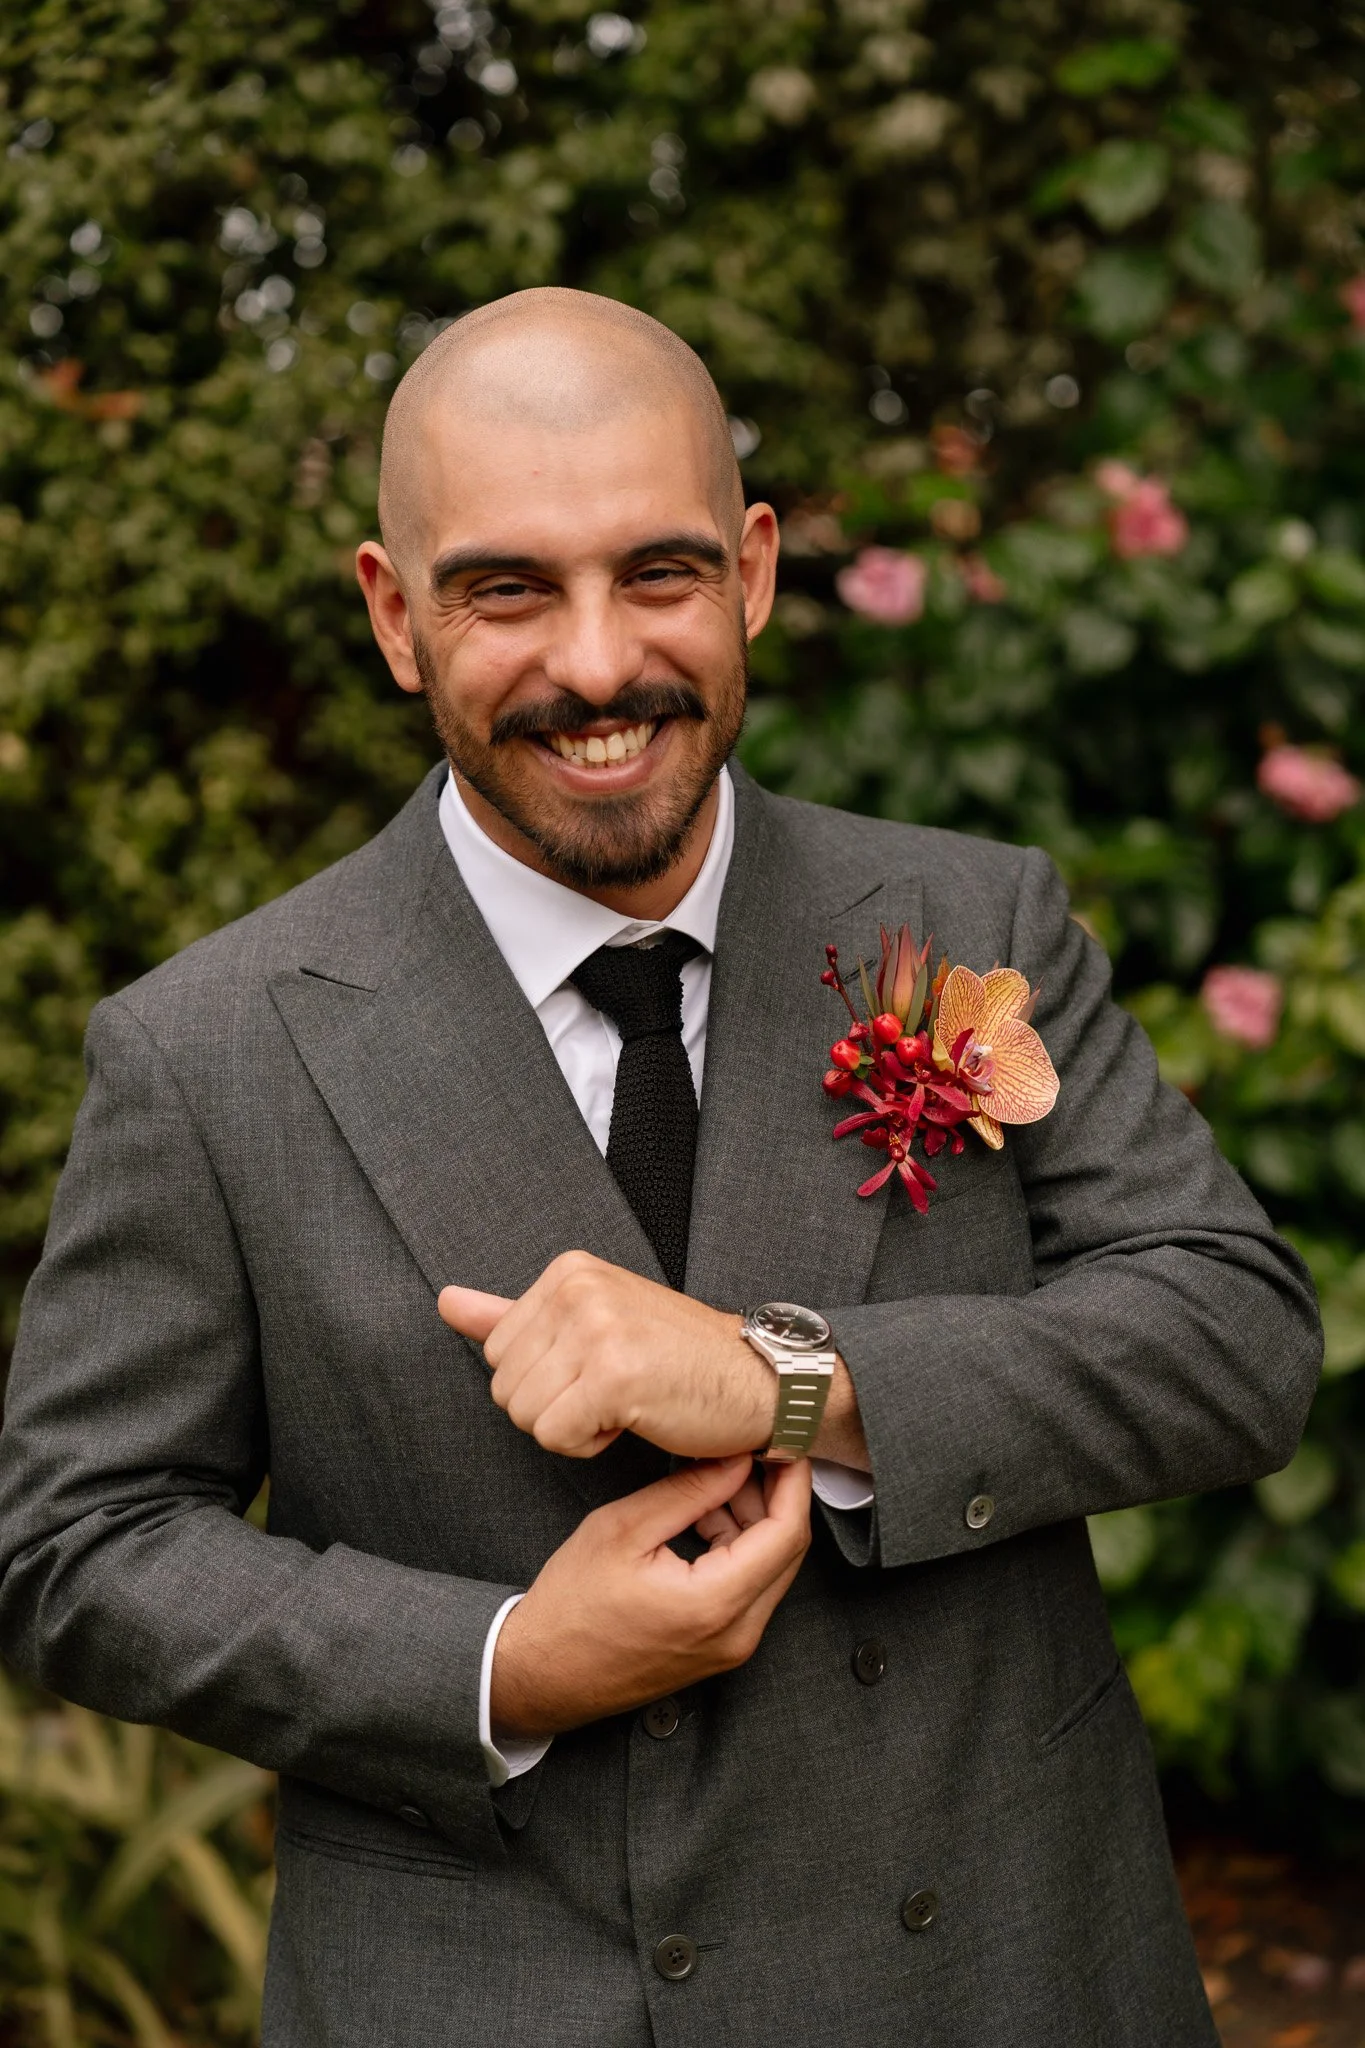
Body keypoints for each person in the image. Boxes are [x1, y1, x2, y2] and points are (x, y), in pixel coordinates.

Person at [0, 288, 1321, 2048]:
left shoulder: (964, 917)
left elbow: (1233, 1336)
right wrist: (502, 1666)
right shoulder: (210, 1047)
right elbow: (75, 1548)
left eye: (663, 573)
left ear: (756, 573)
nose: (603, 663)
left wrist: (792, 1381)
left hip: (1003, 1973)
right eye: (508, 590)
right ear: (395, 615)